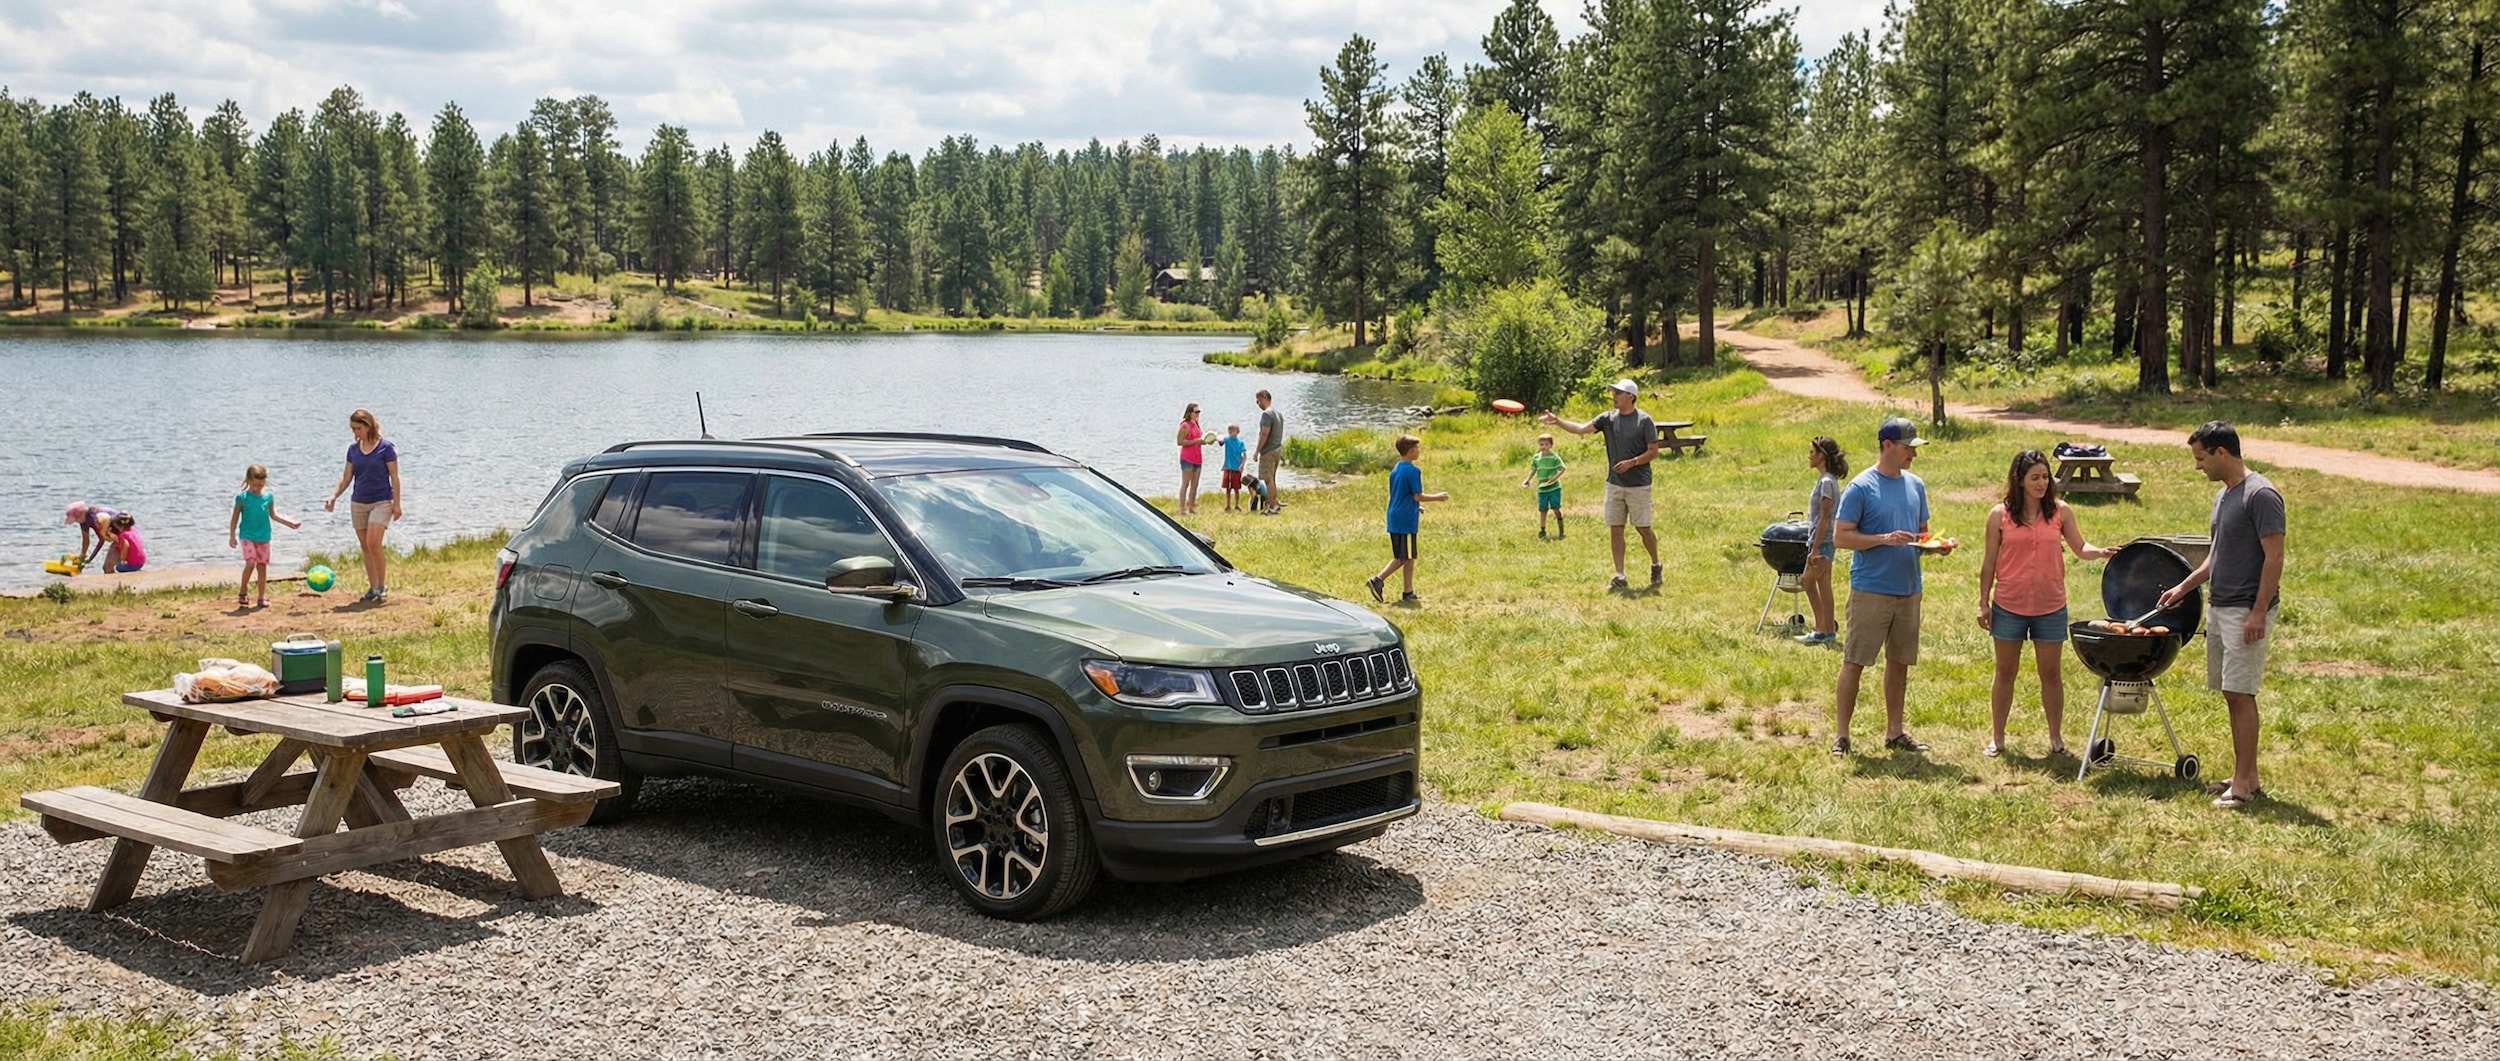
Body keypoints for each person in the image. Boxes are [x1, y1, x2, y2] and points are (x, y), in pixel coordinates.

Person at [2157, 421, 2286, 810]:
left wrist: (2258, 612)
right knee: (2231, 693)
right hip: (2221, 604)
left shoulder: (2261, 495)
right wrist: (2185, 586)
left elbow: (2274, 557)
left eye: (2201, 458)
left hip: (2246, 609)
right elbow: (2218, 554)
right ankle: (2247, 774)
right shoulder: (2224, 496)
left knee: (2241, 693)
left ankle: (2243, 787)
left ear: (2221, 453)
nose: (2199, 467)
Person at [1975, 449, 2114, 757]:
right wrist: (1983, 603)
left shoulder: (2060, 512)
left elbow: (2080, 547)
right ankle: (1997, 738)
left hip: (2050, 606)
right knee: (2005, 672)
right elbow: (1988, 563)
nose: (2041, 483)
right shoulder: (1999, 515)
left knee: (2050, 674)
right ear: (2020, 480)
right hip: (2009, 604)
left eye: (2045, 476)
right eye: (2034, 477)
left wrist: (2100, 552)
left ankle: (2056, 739)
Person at [1830, 416, 1952, 755]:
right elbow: (1841, 537)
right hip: (1871, 589)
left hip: (1909, 589)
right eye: (1907, 448)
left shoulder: (1916, 485)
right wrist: (1883, 539)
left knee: (1899, 663)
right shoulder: (1861, 487)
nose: (1913, 454)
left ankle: (1895, 732)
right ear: (1887, 446)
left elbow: (1922, 533)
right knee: (1855, 661)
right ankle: (1842, 735)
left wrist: (1936, 546)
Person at [1540, 379, 1659, 589]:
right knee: (1616, 529)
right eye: (1613, 392)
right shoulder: (1608, 419)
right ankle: (1620, 576)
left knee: (1643, 528)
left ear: (1630, 396)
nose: (1614, 396)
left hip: (1639, 485)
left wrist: (1632, 463)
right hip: (1614, 484)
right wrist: (1557, 421)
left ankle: (1656, 564)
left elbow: (1653, 451)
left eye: (1619, 393)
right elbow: (1580, 429)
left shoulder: (1644, 420)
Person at [325, 407, 403, 601]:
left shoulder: (386, 448)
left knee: (373, 542)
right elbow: (346, 476)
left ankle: (382, 586)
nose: (355, 433)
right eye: (353, 429)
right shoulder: (353, 450)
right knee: (365, 546)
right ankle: (373, 587)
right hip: (358, 502)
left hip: (382, 501)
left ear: (368, 426)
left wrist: (397, 504)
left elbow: (394, 477)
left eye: (358, 428)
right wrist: (334, 496)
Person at [1365, 435, 1449, 604]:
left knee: (1409, 556)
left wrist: (1415, 507)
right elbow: (1417, 495)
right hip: (1405, 521)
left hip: (1396, 515)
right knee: (1402, 557)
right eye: (1417, 448)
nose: (1418, 451)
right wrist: (1437, 497)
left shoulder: (1396, 469)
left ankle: (1408, 592)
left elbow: (1402, 494)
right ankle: (1377, 580)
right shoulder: (1413, 471)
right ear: (1411, 451)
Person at [229, 463, 304, 608]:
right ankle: (243, 591)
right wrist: (232, 536)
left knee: (262, 566)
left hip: (263, 536)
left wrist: (290, 523)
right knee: (250, 563)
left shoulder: (268, 496)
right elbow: (234, 518)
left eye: (261, 485)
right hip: (247, 535)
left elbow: (273, 515)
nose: (258, 488)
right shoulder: (242, 497)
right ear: (248, 481)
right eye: (255, 485)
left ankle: (261, 597)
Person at [1796, 436, 1847, 646]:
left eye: (1812, 452)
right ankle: (1827, 630)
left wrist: (1815, 548)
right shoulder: (1828, 480)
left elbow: (1825, 517)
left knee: (1807, 581)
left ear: (1821, 456)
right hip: (1825, 540)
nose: (1809, 456)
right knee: (1824, 584)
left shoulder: (1826, 482)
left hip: (1823, 541)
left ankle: (1821, 628)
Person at [1522, 432, 1566, 539]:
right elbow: (1533, 469)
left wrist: (1554, 478)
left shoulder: (1554, 457)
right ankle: (1542, 530)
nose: (1543, 447)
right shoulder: (1536, 458)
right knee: (1543, 509)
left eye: (1546, 444)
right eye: (1541, 444)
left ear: (1551, 445)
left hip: (1554, 488)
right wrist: (1527, 480)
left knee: (1555, 508)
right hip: (1542, 489)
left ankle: (1560, 526)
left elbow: (1562, 468)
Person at [1253, 389, 1286, 515]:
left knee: (1266, 479)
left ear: (1265, 398)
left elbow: (1264, 433)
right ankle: (1274, 502)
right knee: (1272, 478)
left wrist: (1257, 450)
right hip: (1277, 448)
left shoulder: (1267, 414)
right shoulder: (1277, 413)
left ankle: (1272, 507)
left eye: (1259, 400)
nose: (1258, 403)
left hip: (1268, 451)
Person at [63, 502, 123, 569]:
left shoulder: (94, 518)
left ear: (81, 514)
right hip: (114, 536)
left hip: (122, 533)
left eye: (76, 519)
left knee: (107, 567)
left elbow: (101, 540)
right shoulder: (83, 521)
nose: (76, 521)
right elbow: (86, 540)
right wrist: (82, 556)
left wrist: (90, 559)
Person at [1219, 424, 1248, 512]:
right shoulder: (1227, 440)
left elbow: (1244, 455)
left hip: (1236, 468)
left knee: (1236, 488)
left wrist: (1242, 465)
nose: (1231, 433)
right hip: (1228, 467)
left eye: (1233, 431)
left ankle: (1237, 505)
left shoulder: (1240, 443)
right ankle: (1227, 505)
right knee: (1227, 488)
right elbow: (1220, 441)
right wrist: (1215, 437)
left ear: (1237, 432)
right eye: (1230, 431)